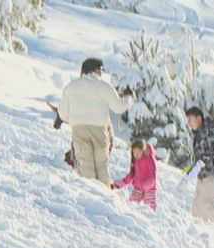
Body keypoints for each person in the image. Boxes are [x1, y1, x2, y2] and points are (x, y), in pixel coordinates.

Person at [58, 58, 132, 186]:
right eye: (102, 69)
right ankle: (105, 193)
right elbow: (118, 107)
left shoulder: (70, 87)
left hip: (79, 129)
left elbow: (63, 114)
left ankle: (89, 194)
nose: (102, 72)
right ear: (96, 70)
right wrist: (129, 98)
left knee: (85, 165)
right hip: (99, 130)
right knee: (101, 165)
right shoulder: (104, 86)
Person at [111, 140, 157, 211]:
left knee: (150, 208)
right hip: (138, 188)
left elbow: (153, 175)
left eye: (138, 152)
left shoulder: (149, 159)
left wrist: (147, 184)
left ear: (143, 150)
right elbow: (131, 176)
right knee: (131, 204)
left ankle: (151, 220)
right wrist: (120, 184)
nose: (136, 154)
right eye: (134, 152)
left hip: (149, 189)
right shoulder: (135, 161)